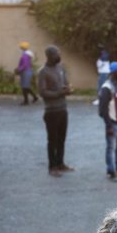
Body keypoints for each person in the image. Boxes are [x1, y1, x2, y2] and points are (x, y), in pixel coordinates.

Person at [37, 45, 74, 177]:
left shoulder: (61, 68)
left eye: (59, 53)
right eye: (56, 54)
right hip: (51, 111)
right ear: (49, 56)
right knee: (52, 140)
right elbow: (42, 92)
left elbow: (65, 83)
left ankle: (60, 163)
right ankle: (52, 167)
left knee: (62, 139)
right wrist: (60, 92)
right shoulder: (43, 72)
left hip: (63, 109)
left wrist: (68, 89)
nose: (59, 56)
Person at [15, 41, 38, 106]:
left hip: (25, 71)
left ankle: (27, 101)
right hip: (27, 71)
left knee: (24, 87)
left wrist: (18, 69)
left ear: (22, 47)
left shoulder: (25, 55)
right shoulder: (27, 54)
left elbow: (24, 65)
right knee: (25, 86)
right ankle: (33, 98)